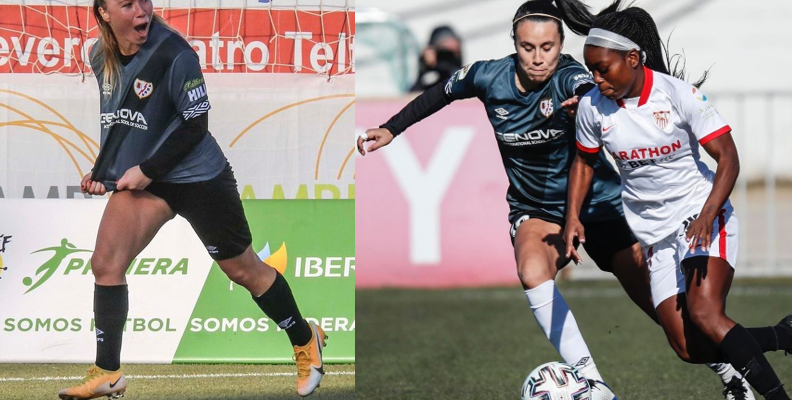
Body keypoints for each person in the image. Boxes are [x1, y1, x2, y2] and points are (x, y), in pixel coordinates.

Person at [358, 1, 751, 399]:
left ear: (560, 44)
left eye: (547, 47)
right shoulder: (486, 75)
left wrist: (584, 100)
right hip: (537, 210)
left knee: (677, 328)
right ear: (514, 43)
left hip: (602, 205)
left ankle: (730, 368)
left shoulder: (571, 77)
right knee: (531, 271)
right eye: (528, 47)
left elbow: (585, 87)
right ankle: (594, 385)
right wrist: (392, 129)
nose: (538, 57)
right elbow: (439, 94)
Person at [58, 1, 327, 398]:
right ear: (103, 13)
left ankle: (306, 339)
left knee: (244, 271)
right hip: (150, 180)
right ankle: (108, 372)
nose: (141, 12)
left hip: (200, 178)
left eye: (144, 2)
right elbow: (119, 121)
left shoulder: (175, 53)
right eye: (128, 5)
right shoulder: (101, 56)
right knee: (106, 263)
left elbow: (196, 126)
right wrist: (104, 171)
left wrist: (146, 170)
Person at [564, 4, 792, 400]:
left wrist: (706, 217)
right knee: (691, 348)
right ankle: (783, 335)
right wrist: (572, 219)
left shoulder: (678, 95)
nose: (596, 79)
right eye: (591, 70)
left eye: (603, 69)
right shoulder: (592, 109)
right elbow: (583, 161)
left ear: (633, 58)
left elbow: (728, 159)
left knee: (706, 313)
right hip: (655, 235)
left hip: (702, 215)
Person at [410, 25, 463, 92]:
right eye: (443, 51)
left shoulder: (462, 77)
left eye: (452, 53)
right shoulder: (428, 76)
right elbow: (413, 95)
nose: (446, 57)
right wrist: (426, 67)